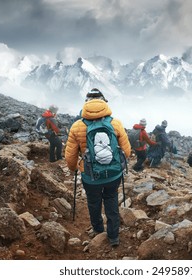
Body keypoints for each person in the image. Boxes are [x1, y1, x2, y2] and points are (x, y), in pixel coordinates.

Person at [65, 88, 131, 247]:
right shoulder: (115, 123)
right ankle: (114, 236)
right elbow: (126, 151)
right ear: (104, 102)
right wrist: (117, 163)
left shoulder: (76, 126)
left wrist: (74, 168)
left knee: (93, 202)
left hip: (90, 176)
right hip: (113, 175)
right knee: (111, 200)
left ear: (86, 103)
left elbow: (70, 156)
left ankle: (98, 229)